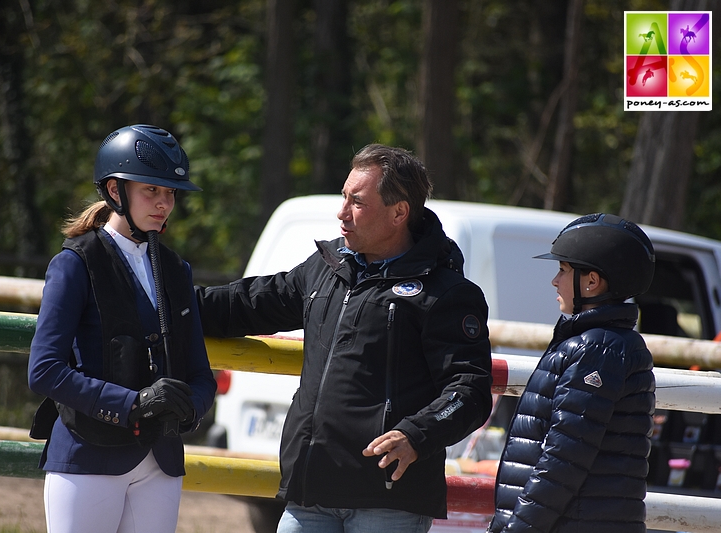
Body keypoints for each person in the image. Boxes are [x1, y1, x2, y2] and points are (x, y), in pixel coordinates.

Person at [196, 144, 493, 532]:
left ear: (399, 213)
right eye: (344, 197)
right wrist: (155, 298)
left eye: (357, 202)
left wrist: (416, 435)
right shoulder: (325, 269)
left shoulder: (448, 293)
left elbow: (469, 390)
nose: (341, 212)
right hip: (310, 493)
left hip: (388, 502)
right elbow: (241, 304)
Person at [28, 124, 217, 533]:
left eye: (170, 193)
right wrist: (133, 403)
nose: (164, 203)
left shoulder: (176, 270)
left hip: (161, 462)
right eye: (152, 190)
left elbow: (201, 374)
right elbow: (44, 369)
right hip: (88, 455)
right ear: (115, 191)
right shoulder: (75, 263)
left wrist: (190, 408)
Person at [487, 213, 657, 533]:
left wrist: (518, 529)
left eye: (563, 270)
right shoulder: (602, 343)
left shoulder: (597, 349)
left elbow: (563, 459)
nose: (555, 280)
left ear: (592, 281)